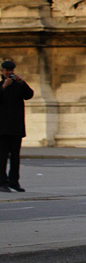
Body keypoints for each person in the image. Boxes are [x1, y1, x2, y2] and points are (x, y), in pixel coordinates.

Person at [0, 60, 35, 193]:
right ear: (2, 72)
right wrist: (4, 87)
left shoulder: (18, 85)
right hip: (2, 128)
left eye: (11, 70)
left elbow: (29, 95)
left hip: (16, 127)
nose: (9, 73)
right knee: (2, 157)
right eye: (7, 70)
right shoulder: (1, 85)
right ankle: (2, 182)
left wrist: (22, 82)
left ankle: (14, 181)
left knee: (15, 157)